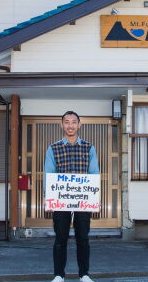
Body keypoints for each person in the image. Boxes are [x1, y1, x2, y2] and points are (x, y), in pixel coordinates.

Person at [44, 111, 100, 282]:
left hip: (83, 200)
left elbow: (94, 174)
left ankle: (84, 274)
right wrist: (49, 198)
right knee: (60, 238)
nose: (70, 125)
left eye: (73, 122)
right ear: (62, 125)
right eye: (66, 122)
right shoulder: (53, 148)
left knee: (83, 238)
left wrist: (95, 199)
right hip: (61, 200)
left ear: (79, 125)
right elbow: (49, 175)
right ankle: (59, 274)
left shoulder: (89, 147)